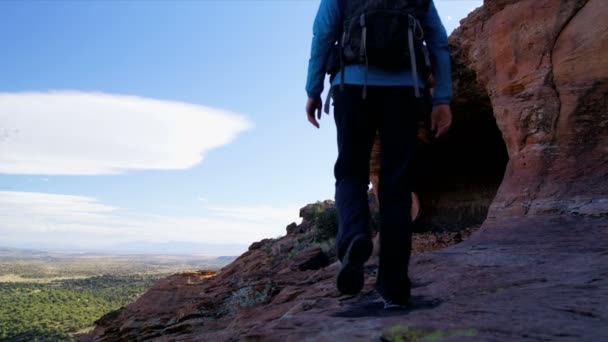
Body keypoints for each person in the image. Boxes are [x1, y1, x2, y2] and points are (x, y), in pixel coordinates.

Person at [304, 0, 453, 310]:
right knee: (396, 186)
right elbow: (437, 40)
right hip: (405, 92)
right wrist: (442, 99)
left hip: (352, 88)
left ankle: (355, 238)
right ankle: (395, 289)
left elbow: (322, 35)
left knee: (350, 173)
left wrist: (313, 90)